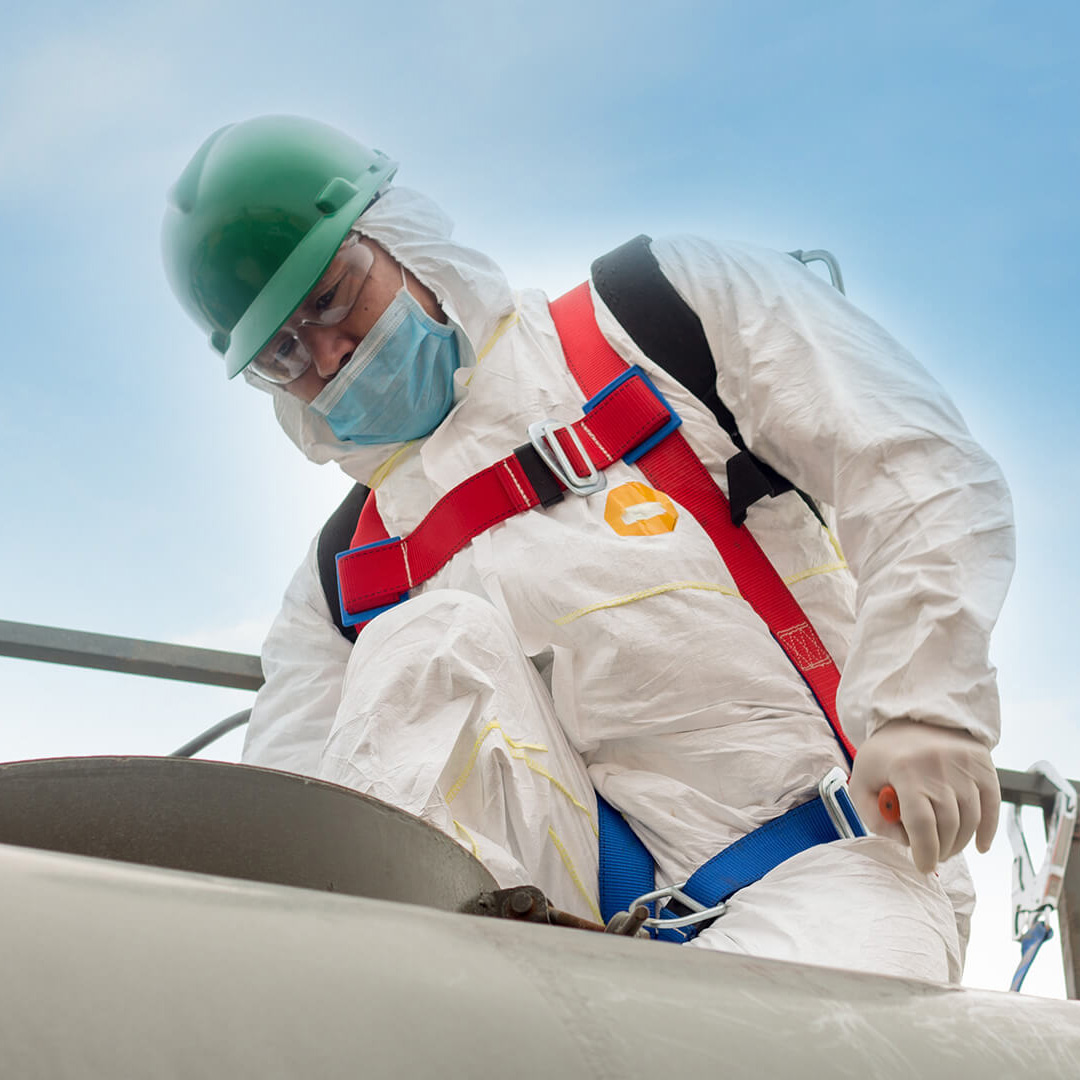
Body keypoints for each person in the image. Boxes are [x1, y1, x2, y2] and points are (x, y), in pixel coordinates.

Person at [162, 115, 1014, 983]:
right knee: (423, 645)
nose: (330, 354)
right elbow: (292, 819)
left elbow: (912, 465)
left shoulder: (658, 313)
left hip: (831, 863)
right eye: (284, 353)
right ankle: (417, 996)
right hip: (553, 937)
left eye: (332, 297)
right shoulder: (347, 572)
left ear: (397, 239)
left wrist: (923, 704)